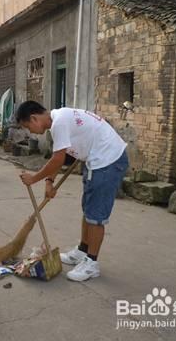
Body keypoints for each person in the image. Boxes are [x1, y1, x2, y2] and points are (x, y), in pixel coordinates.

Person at [16, 101, 128, 282]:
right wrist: (49, 183)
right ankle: (82, 250)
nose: (31, 132)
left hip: (108, 161)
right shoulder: (58, 121)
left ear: (34, 118)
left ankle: (91, 263)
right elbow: (59, 155)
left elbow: (58, 159)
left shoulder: (59, 122)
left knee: (95, 216)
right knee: (88, 209)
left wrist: (34, 178)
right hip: (96, 160)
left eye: (28, 127)